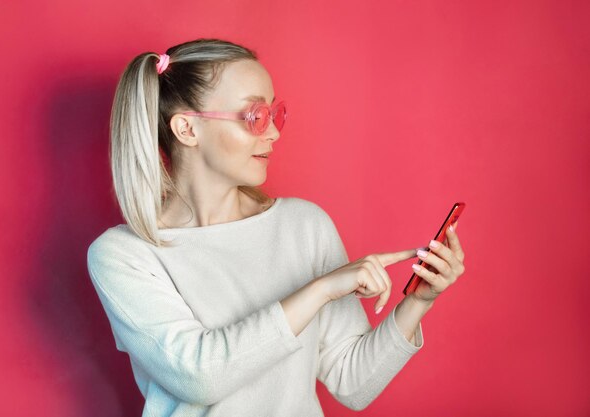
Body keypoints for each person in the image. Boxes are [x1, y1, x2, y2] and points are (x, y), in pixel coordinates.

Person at [86, 38, 466, 416]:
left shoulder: (304, 226)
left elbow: (354, 383)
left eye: (275, 114)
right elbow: (201, 376)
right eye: (255, 116)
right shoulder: (124, 254)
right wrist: (319, 290)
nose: (274, 134)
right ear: (187, 129)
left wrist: (419, 300)